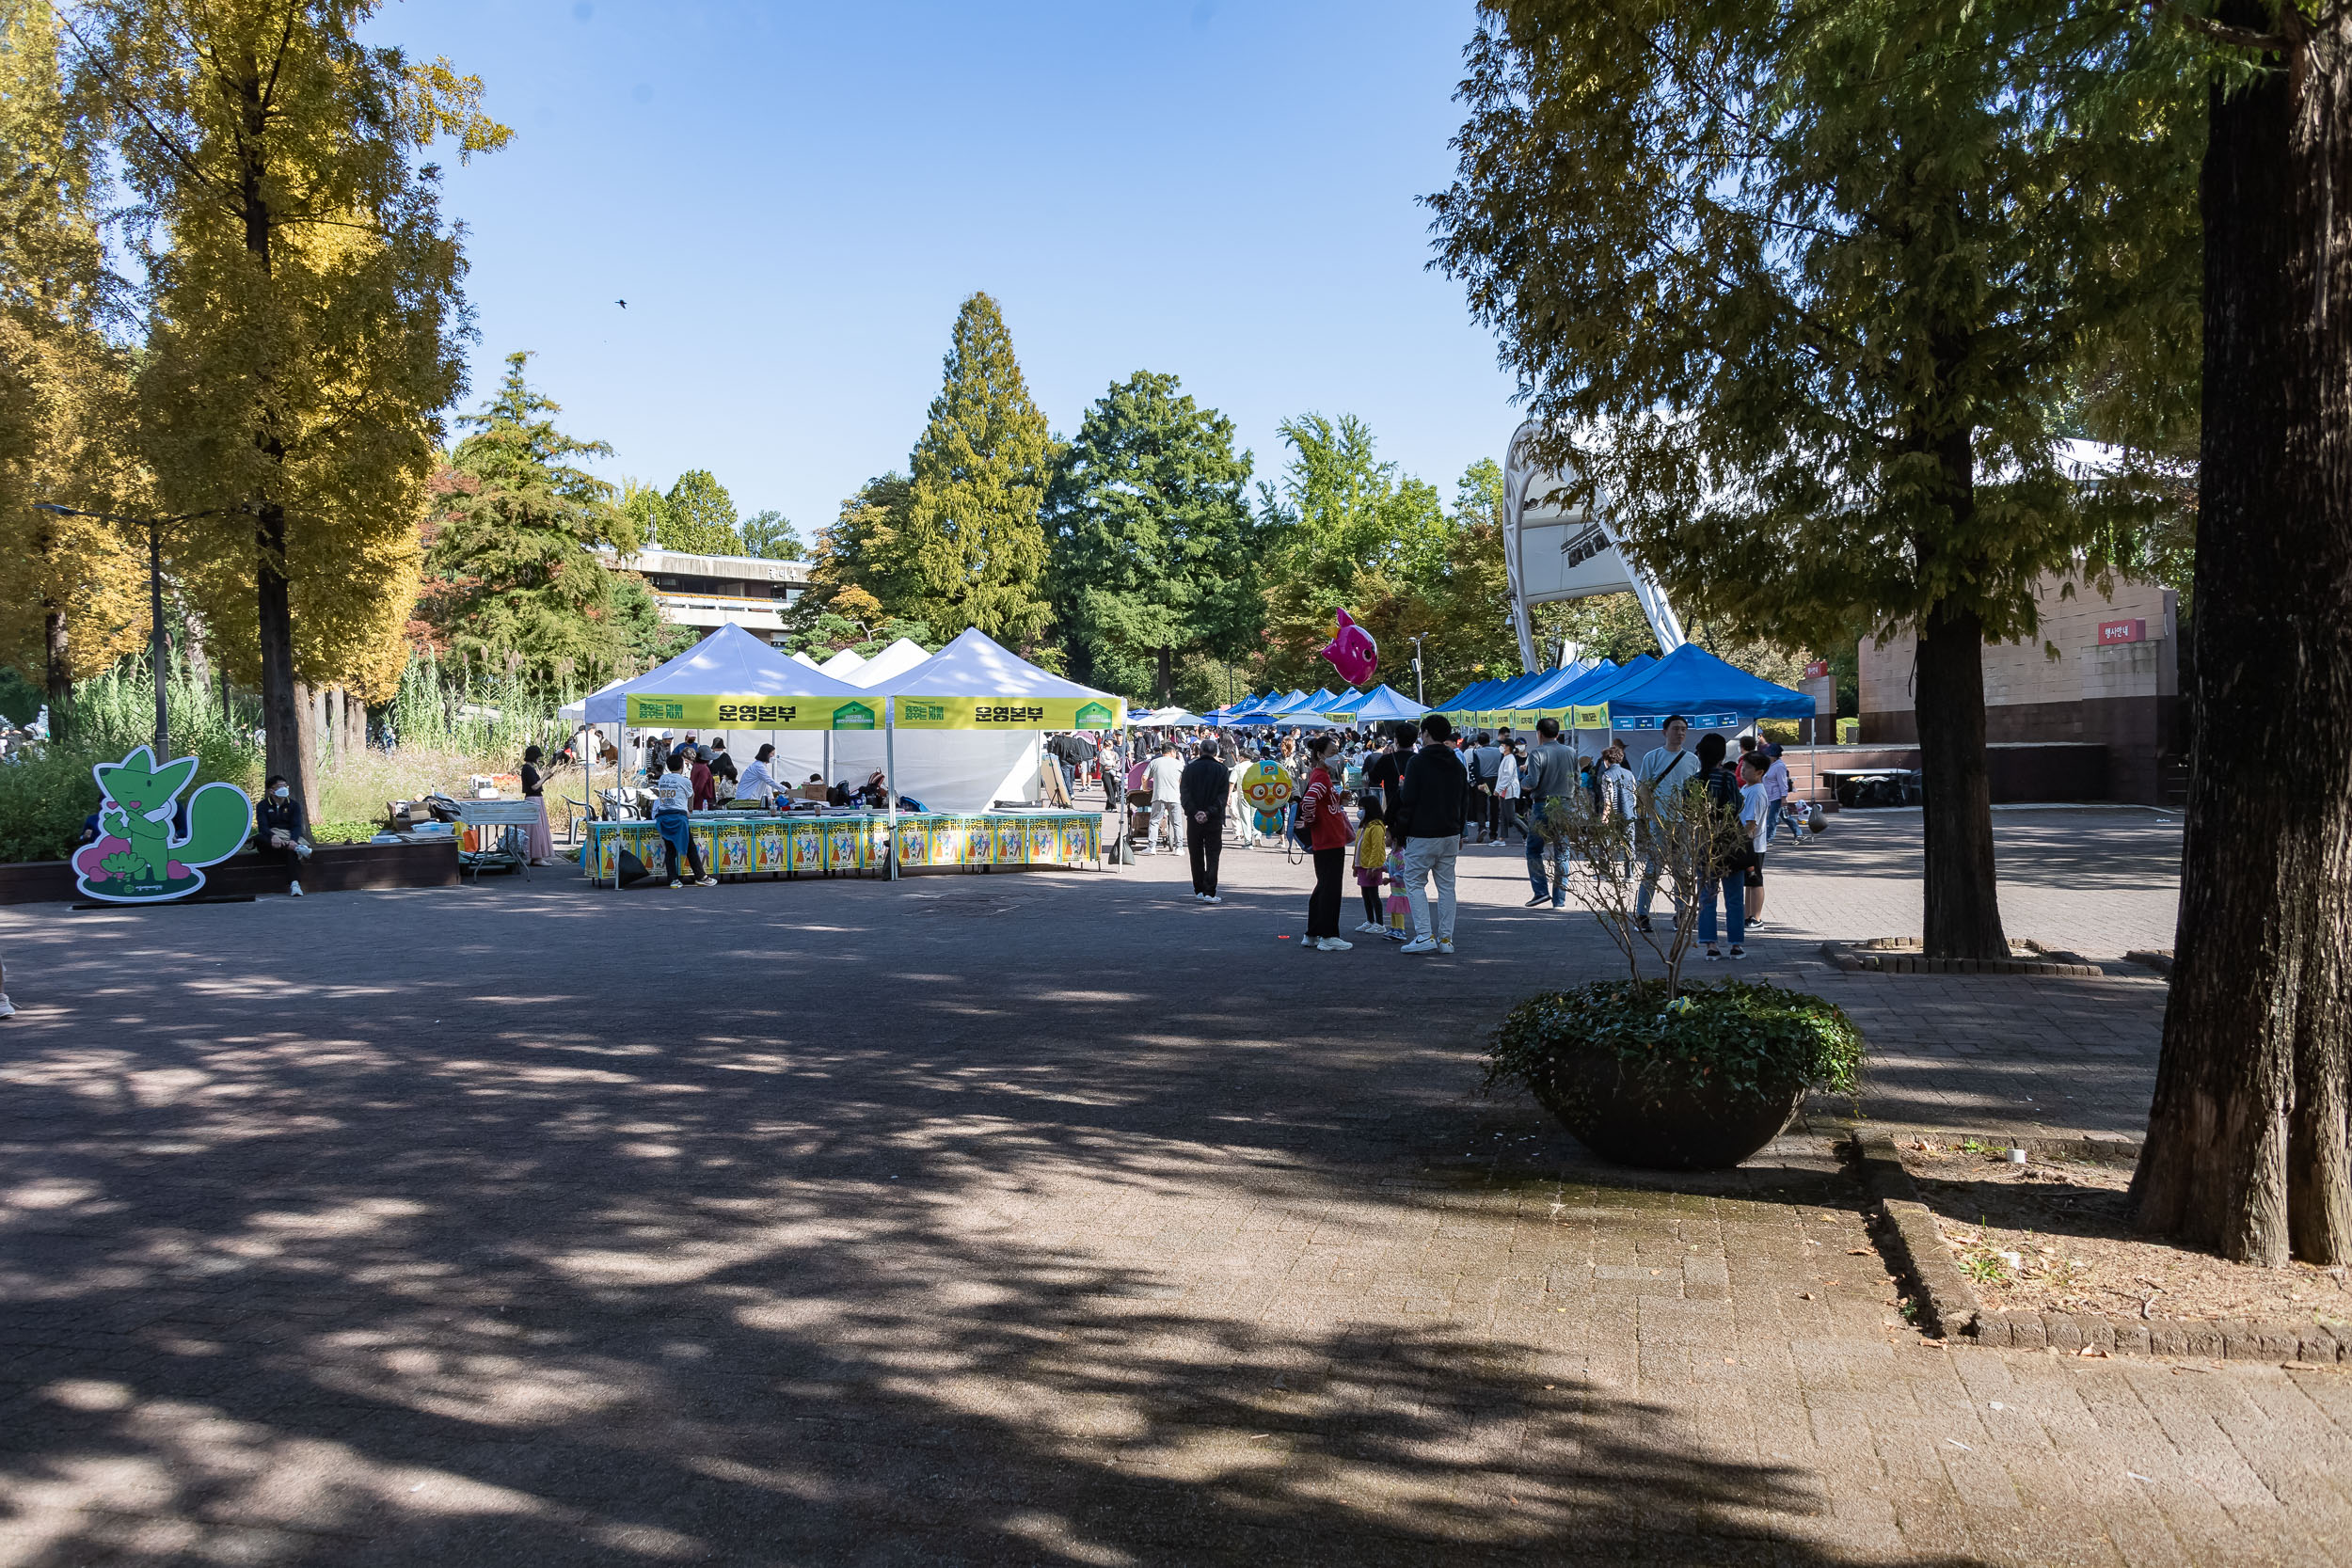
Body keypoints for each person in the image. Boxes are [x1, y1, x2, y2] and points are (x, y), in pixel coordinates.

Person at [1393, 713, 1467, 955]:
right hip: (1450, 832)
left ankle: (1424, 934)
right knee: (1447, 886)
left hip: (1422, 832)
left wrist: (1399, 831)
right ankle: (1446, 940)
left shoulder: (1417, 762)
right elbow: (1463, 800)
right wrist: (1461, 831)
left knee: (1414, 882)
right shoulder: (1457, 762)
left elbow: (1409, 799)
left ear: (1425, 733)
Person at [1632, 716, 1700, 934]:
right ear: (1664, 731)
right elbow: (1643, 787)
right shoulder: (1652, 757)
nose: (1680, 733)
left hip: (1684, 822)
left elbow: (1696, 791)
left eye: (1683, 730)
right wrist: (1651, 813)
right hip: (1659, 821)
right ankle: (1642, 914)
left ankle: (1681, 914)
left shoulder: (1692, 759)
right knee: (1653, 868)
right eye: (1676, 729)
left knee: (1682, 870)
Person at [1692, 733, 1746, 959]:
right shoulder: (1729, 778)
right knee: (1734, 897)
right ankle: (1735, 944)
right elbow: (1737, 806)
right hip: (1729, 841)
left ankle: (1710, 945)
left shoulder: (1693, 781)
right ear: (1722, 755)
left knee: (1706, 895)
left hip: (1704, 841)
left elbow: (1687, 811)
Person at [1295, 734, 1354, 950]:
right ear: (1320, 755)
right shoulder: (1320, 777)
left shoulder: (1321, 776)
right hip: (1329, 838)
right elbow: (1309, 800)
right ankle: (1329, 935)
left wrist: (1338, 800)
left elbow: (1316, 801)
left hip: (1327, 837)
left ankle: (1313, 932)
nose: (1336, 757)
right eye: (1332, 753)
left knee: (1323, 886)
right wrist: (1310, 821)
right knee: (1331, 888)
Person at [1521, 717, 1577, 908]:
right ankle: (1559, 900)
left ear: (1539, 733)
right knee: (1563, 852)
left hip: (1542, 805)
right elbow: (1576, 779)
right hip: (1565, 806)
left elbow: (1532, 782)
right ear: (1558, 733)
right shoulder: (1571, 752)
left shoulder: (1536, 753)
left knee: (1533, 849)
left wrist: (1522, 780)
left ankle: (1541, 892)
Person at [653, 752, 717, 888]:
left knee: (670, 850)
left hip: (663, 817)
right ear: (682, 767)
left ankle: (673, 880)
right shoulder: (685, 781)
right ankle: (701, 877)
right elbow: (691, 796)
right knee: (690, 848)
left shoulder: (662, 779)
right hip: (679, 818)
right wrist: (689, 809)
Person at [1179, 738, 1231, 901]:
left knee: (1196, 853)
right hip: (1213, 818)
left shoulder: (1190, 768)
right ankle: (1210, 890)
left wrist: (1195, 812)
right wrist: (1209, 812)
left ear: (1200, 751)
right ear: (1216, 752)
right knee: (1213, 854)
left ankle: (1199, 888)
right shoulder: (1222, 770)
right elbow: (1222, 796)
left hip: (1194, 818)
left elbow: (1184, 794)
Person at [253, 773, 310, 897]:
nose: (284, 788)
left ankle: (295, 885)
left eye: (285, 786)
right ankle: (298, 849)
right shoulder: (262, 805)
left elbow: (296, 826)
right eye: (279, 786)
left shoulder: (293, 805)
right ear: (271, 790)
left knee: (290, 851)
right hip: (270, 842)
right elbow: (263, 826)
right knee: (258, 838)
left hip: (287, 839)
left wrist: (293, 840)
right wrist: (273, 836)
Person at [1739, 750, 1773, 928]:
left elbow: (1752, 822)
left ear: (1759, 772)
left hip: (1753, 845)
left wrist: (1741, 840)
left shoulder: (1757, 792)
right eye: (1743, 766)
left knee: (1756, 880)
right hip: (1746, 844)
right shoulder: (1746, 788)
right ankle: (1746, 915)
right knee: (1748, 882)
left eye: (1747, 768)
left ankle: (1756, 918)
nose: (1743, 770)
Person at [1145, 742, 1185, 853]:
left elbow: (1144, 777)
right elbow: (1182, 780)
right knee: (1177, 823)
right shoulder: (1179, 764)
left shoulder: (1154, 762)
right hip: (1175, 797)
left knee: (1154, 821)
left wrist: (1145, 788)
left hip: (1158, 795)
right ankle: (1179, 848)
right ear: (1172, 752)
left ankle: (1152, 847)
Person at [519, 745, 556, 864]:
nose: (539, 759)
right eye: (538, 757)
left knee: (535, 828)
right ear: (534, 757)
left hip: (534, 799)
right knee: (536, 829)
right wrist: (545, 777)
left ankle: (536, 856)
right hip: (533, 799)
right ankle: (537, 857)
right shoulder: (527, 769)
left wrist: (546, 777)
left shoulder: (529, 768)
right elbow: (534, 786)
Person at [1470, 731, 1502, 843]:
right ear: (1489, 740)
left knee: (1481, 806)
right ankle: (1493, 834)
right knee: (1494, 807)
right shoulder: (1497, 751)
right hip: (1495, 781)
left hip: (1484, 782)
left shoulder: (1477, 752)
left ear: (1478, 742)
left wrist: (1479, 783)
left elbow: (1476, 769)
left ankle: (1482, 827)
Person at [735, 744, 781, 809]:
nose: (773, 756)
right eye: (772, 754)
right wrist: (786, 790)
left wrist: (771, 798)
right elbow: (770, 781)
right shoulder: (759, 767)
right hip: (746, 799)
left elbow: (766, 785)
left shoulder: (760, 766)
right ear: (766, 754)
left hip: (747, 798)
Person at [1495, 740, 1523, 845]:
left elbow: (1507, 776)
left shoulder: (1510, 759)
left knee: (1511, 816)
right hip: (1504, 790)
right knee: (1503, 815)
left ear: (1507, 747)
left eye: (1502, 745)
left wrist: (1498, 790)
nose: (1501, 747)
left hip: (1508, 790)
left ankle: (1528, 834)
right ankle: (1502, 838)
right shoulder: (1506, 758)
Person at [707, 737, 738, 804]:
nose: (718, 750)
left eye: (720, 748)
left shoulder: (726, 756)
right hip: (712, 783)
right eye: (716, 748)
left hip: (724, 784)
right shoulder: (710, 757)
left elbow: (732, 770)